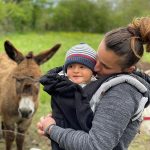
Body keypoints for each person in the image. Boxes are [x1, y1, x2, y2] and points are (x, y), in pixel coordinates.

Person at [37, 17, 150, 150]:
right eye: (97, 58)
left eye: (105, 66)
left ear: (128, 70)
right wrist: (61, 120)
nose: (95, 68)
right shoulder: (104, 80)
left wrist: (52, 129)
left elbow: (95, 146)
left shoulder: (123, 93)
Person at [40, 43, 97, 150]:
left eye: (82, 66)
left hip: (85, 137)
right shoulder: (60, 86)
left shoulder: (97, 89)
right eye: (71, 66)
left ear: (92, 71)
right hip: (60, 136)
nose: (76, 70)